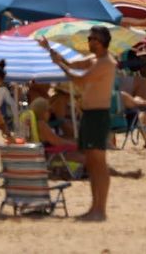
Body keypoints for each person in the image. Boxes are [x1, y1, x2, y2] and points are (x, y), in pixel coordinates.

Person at [40, 26, 117, 220]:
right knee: (91, 163)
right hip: (89, 115)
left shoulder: (105, 63)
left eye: (94, 40)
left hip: (98, 116)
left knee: (99, 163)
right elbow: (74, 64)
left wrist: (60, 64)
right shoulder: (93, 60)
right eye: (89, 39)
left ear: (103, 43)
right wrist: (52, 52)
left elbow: (79, 79)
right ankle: (95, 207)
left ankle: (101, 209)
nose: (90, 42)